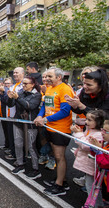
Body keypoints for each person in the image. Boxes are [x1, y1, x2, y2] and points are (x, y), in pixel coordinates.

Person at [34, 67, 75, 196]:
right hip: (50, 127)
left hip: (61, 128)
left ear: (59, 77)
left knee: (59, 156)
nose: (46, 79)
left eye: (49, 77)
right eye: (45, 77)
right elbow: (45, 106)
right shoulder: (50, 89)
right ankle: (61, 180)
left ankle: (59, 185)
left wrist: (45, 119)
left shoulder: (65, 89)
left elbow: (65, 111)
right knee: (56, 156)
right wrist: (40, 116)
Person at [7, 76, 42, 179]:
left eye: (26, 84)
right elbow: (11, 105)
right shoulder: (21, 92)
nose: (24, 85)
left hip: (30, 124)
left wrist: (17, 97)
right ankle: (20, 163)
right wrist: (10, 98)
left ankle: (36, 169)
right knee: (18, 144)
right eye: (23, 83)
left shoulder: (37, 95)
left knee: (31, 146)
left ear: (32, 84)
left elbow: (29, 106)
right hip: (18, 122)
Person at [71, 110, 107, 208]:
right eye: (86, 119)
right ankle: (94, 204)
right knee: (91, 186)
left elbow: (85, 145)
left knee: (92, 187)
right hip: (90, 163)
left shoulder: (99, 134)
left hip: (93, 164)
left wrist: (78, 133)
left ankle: (96, 205)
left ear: (99, 122)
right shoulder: (90, 130)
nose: (87, 122)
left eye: (90, 120)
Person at [0, 67, 25, 160]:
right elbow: (7, 101)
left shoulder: (23, 86)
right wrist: (2, 92)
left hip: (19, 116)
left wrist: (4, 91)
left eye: (17, 72)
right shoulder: (13, 86)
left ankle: (20, 158)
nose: (15, 74)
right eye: (14, 72)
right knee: (12, 137)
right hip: (9, 115)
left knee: (19, 139)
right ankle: (14, 153)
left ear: (23, 73)